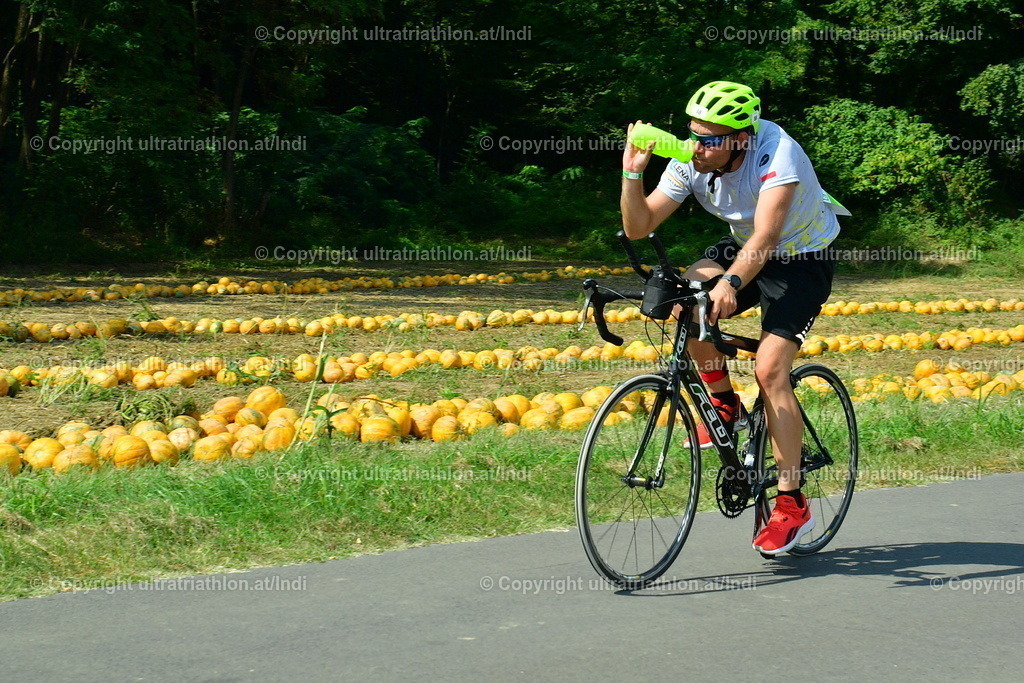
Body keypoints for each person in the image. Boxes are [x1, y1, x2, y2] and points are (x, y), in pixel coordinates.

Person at [619, 80, 842, 556]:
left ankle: (791, 501)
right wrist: (632, 174)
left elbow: (767, 237)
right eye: (692, 133)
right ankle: (725, 404)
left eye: (709, 138)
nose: (696, 146)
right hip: (745, 246)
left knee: (770, 370)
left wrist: (731, 284)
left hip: (800, 256)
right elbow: (639, 227)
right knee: (687, 302)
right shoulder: (691, 158)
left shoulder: (777, 153)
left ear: (741, 138)